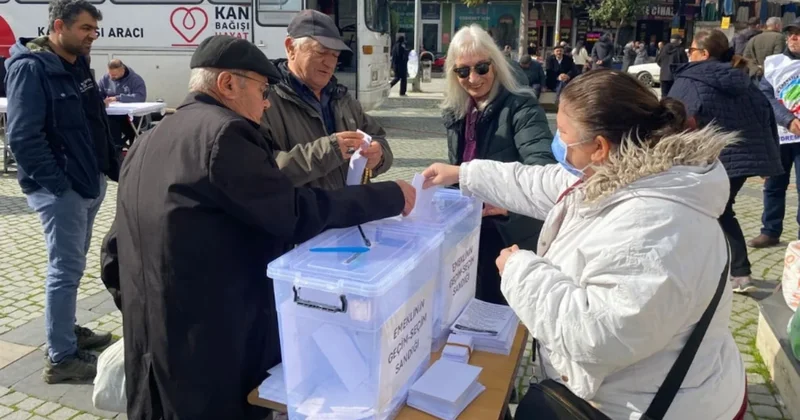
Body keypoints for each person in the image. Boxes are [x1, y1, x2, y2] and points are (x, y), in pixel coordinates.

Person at [114, 35, 417, 420]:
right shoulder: (225, 134)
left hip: (148, 347)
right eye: (261, 90)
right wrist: (388, 197)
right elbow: (293, 212)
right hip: (208, 352)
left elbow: (114, 251)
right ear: (227, 84)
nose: (266, 102)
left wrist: (150, 310)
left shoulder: (148, 137)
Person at [422, 69, 747, 420]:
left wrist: (521, 272)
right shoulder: (627, 177)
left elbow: (600, 334)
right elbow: (542, 182)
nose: (557, 144)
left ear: (599, 147)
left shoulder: (654, 220)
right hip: (633, 389)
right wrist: (464, 174)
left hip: (651, 406)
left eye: (563, 133)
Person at [4, 0, 120, 383]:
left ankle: (68, 331)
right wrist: (59, 187)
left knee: (72, 266)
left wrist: (109, 169)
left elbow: (94, 121)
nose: (92, 36)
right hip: (63, 191)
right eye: (86, 28)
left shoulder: (75, 63)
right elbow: (22, 137)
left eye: (95, 30)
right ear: (59, 26)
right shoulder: (30, 69)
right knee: (64, 271)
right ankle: (61, 358)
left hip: (88, 183)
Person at [441, 25, 554, 305]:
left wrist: (505, 205)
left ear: (496, 64)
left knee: (501, 314)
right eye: (463, 71)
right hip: (469, 232)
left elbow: (544, 173)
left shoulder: (522, 108)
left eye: (481, 67)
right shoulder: (457, 110)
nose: (473, 78)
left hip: (508, 234)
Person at [669, 29, 782, 293]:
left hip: (707, 160)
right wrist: (768, 159)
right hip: (741, 162)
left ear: (704, 54)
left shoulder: (691, 78)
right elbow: (765, 117)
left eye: (692, 50)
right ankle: (730, 270)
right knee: (719, 210)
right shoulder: (743, 81)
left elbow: (672, 116)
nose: (689, 54)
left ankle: (737, 272)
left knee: (711, 211)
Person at [261, 10, 392, 189]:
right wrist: (329, 151)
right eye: (321, 52)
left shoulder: (342, 98)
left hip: (351, 211)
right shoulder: (264, 100)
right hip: (301, 215)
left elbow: (378, 137)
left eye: (335, 56)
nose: (329, 63)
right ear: (291, 48)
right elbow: (261, 173)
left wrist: (379, 156)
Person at [749, 17, 800, 248]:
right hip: (780, 134)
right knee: (774, 185)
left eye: (798, 34)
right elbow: (766, 96)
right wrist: (788, 119)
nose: (793, 38)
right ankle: (770, 230)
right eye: (790, 33)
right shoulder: (774, 63)